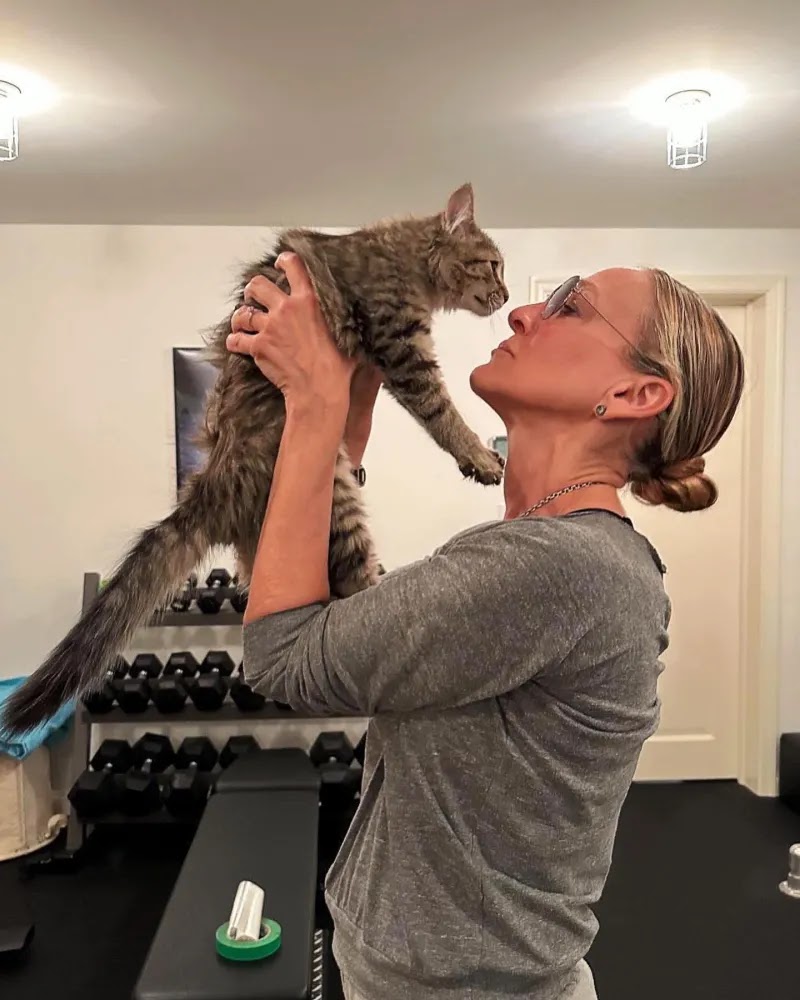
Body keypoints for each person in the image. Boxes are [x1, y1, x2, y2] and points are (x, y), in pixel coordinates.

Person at [225, 257, 744, 1000]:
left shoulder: (555, 568)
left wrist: (314, 404)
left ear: (636, 394)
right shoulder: (551, 554)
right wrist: (348, 422)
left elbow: (284, 656)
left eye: (570, 305)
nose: (523, 313)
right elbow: (345, 626)